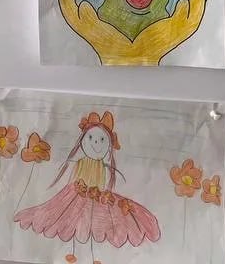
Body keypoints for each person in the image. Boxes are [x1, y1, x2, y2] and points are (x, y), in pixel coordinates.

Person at [14, 110, 160, 262]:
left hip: (97, 197)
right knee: (73, 221)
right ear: (83, 140)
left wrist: (100, 192)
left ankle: (92, 256)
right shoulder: (81, 162)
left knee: (94, 225)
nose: (96, 143)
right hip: (78, 194)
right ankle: (73, 252)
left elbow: (103, 183)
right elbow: (75, 176)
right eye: (91, 138)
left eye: (102, 140)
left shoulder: (103, 166)